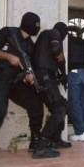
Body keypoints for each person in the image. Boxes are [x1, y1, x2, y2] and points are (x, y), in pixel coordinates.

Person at [0, 12, 42, 164]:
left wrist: (28, 76)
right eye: (36, 25)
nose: (37, 27)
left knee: (36, 103)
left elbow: (25, 67)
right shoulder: (8, 32)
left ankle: (35, 142)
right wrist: (8, 56)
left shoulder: (30, 45)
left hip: (15, 83)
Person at [32, 21, 70, 158]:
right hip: (45, 77)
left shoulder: (43, 35)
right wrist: (63, 70)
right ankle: (41, 146)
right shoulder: (54, 33)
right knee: (60, 108)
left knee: (62, 106)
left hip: (42, 77)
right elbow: (56, 51)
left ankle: (56, 140)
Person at [67, 26, 84, 141]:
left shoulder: (69, 41)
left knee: (74, 102)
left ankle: (80, 132)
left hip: (74, 72)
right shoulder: (83, 42)